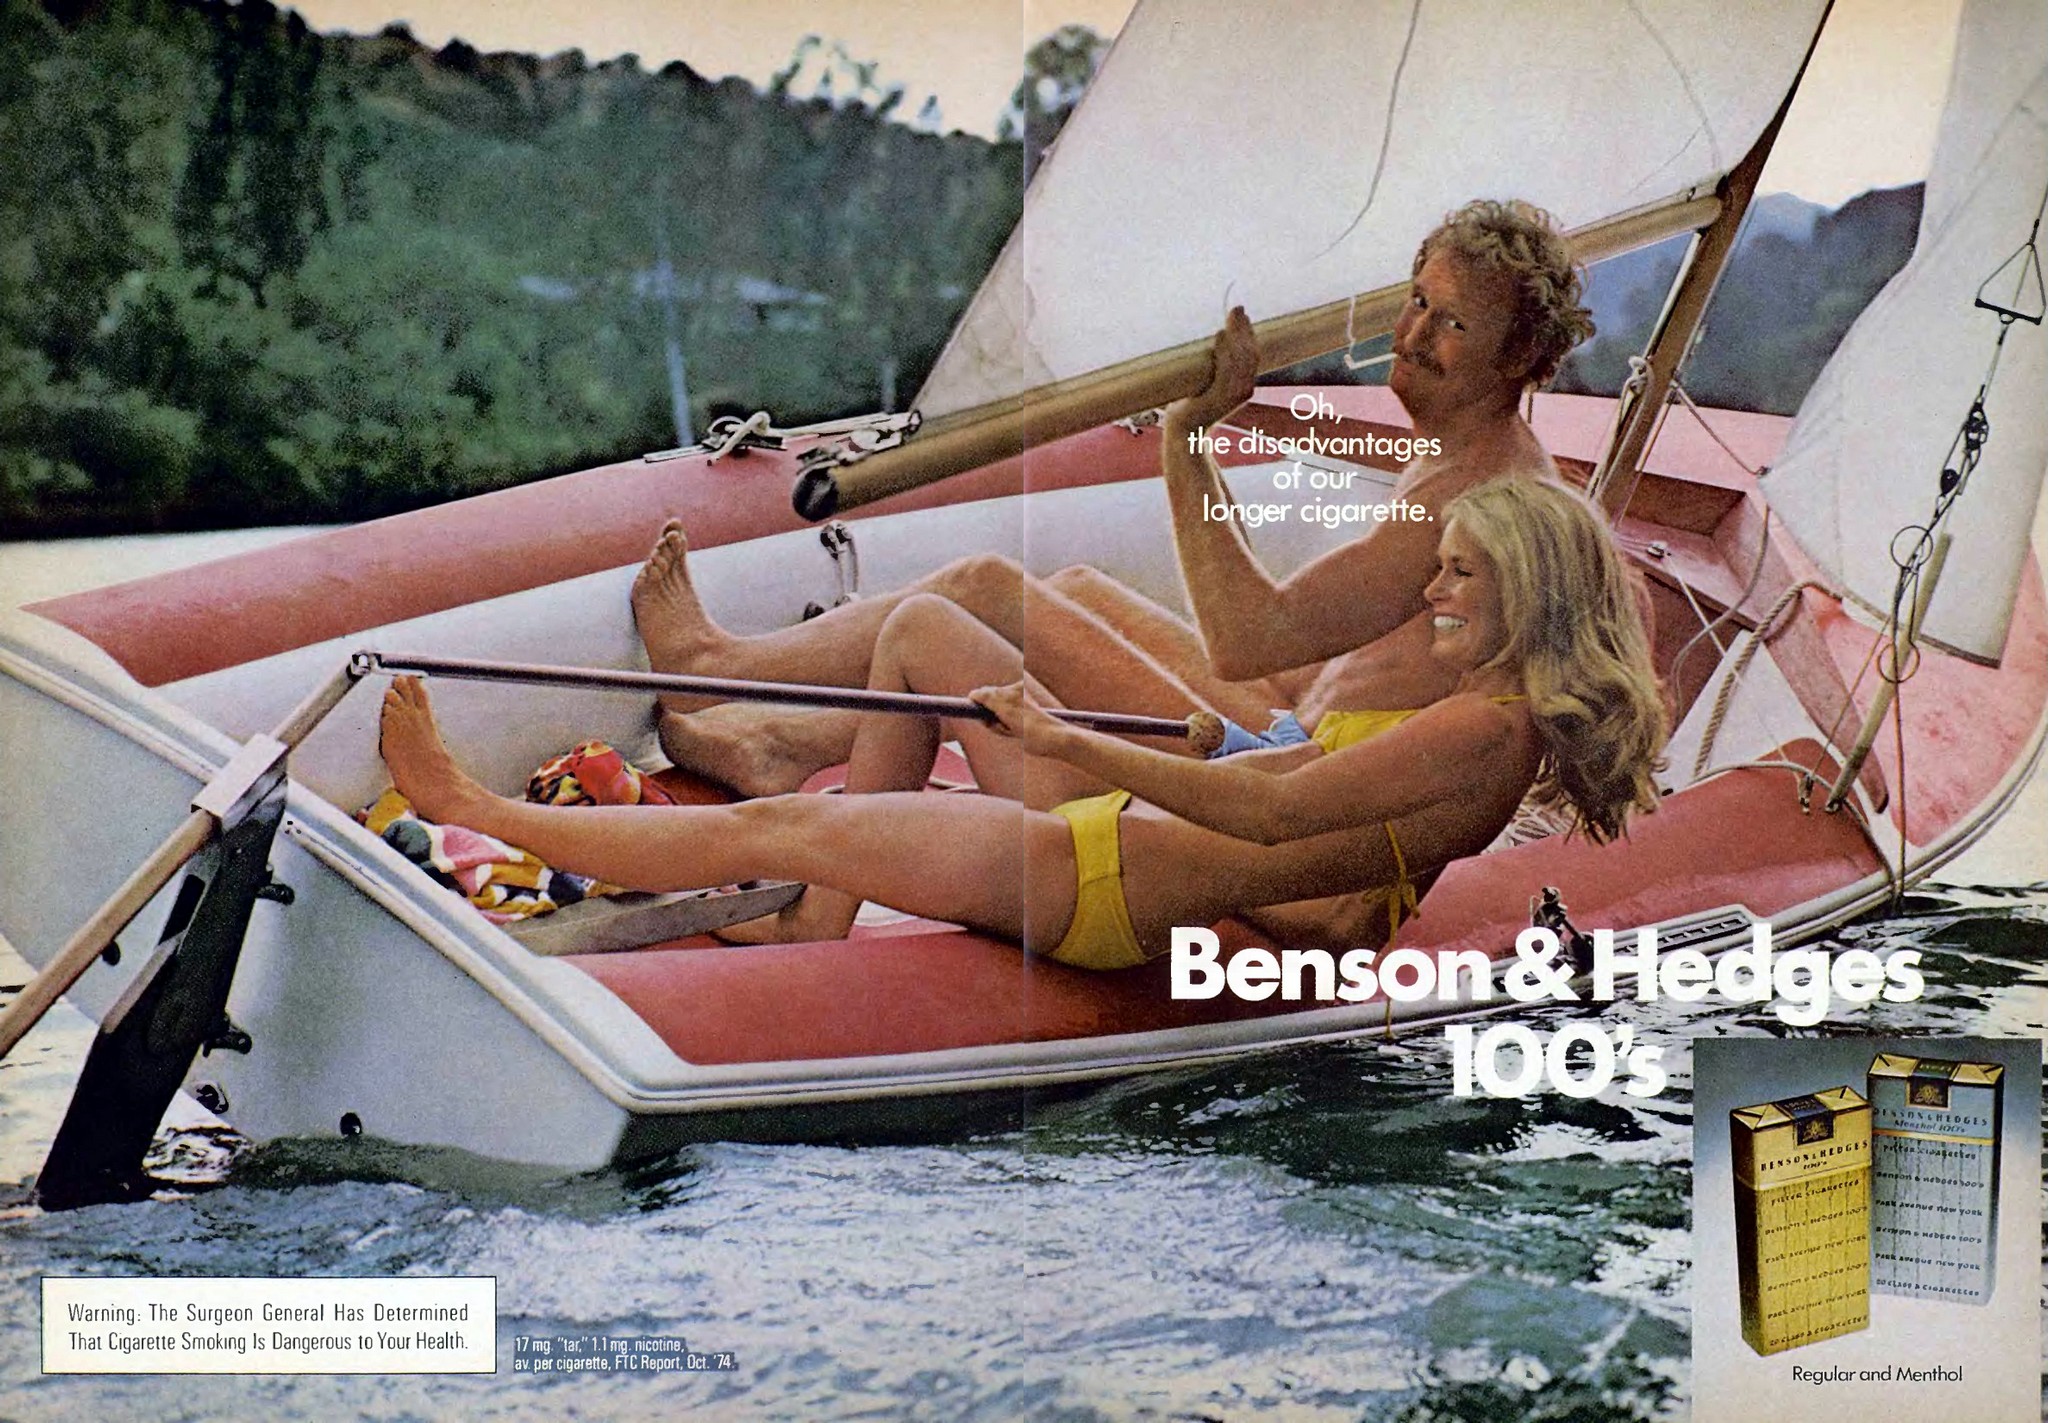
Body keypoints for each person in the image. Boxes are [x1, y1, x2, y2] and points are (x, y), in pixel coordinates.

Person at [379, 480, 1665, 966]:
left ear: (1527, 592)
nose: (1433, 591)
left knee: (781, 826)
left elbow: (1274, 818)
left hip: (1084, 882)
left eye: (1458, 575)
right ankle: (811, 907)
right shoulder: (1489, 718)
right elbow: (1305, 835)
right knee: (891, 693)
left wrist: (1062, 738)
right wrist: (1149, 752)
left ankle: (468, 806)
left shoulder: (1484, 731)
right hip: (1102, 856)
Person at [639, 199, 1596, 797]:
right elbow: (1313, 655)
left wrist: (1188, 434)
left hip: (1272, 774)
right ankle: (790, 740)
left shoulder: (1475, 499)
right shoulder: (1473, 452)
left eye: (1453, 323)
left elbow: (1246, 638)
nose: (1413, 335)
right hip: (1294, 725)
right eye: (1417, 299)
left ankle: (720, 667)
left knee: (980, 588)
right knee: (1081, 591)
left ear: (1519, 356)